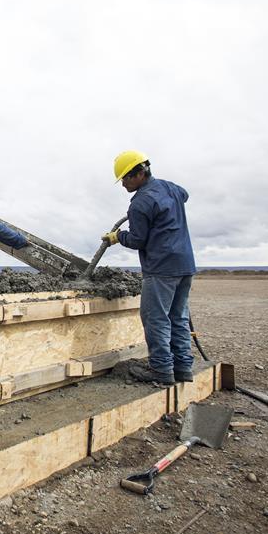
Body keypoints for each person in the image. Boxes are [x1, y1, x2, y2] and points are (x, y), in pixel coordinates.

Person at [102, 151, 197, 385]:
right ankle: (183, 369)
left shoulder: (139, 203)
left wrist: (118, 236)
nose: (123, 184)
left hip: (161, 268)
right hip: (184, 264)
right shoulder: (171, 188)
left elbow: (137, 240)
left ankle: (162, 372)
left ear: (140, 173)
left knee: (156, 319)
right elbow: (185, 195)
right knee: (178, 317)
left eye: (126, 178)